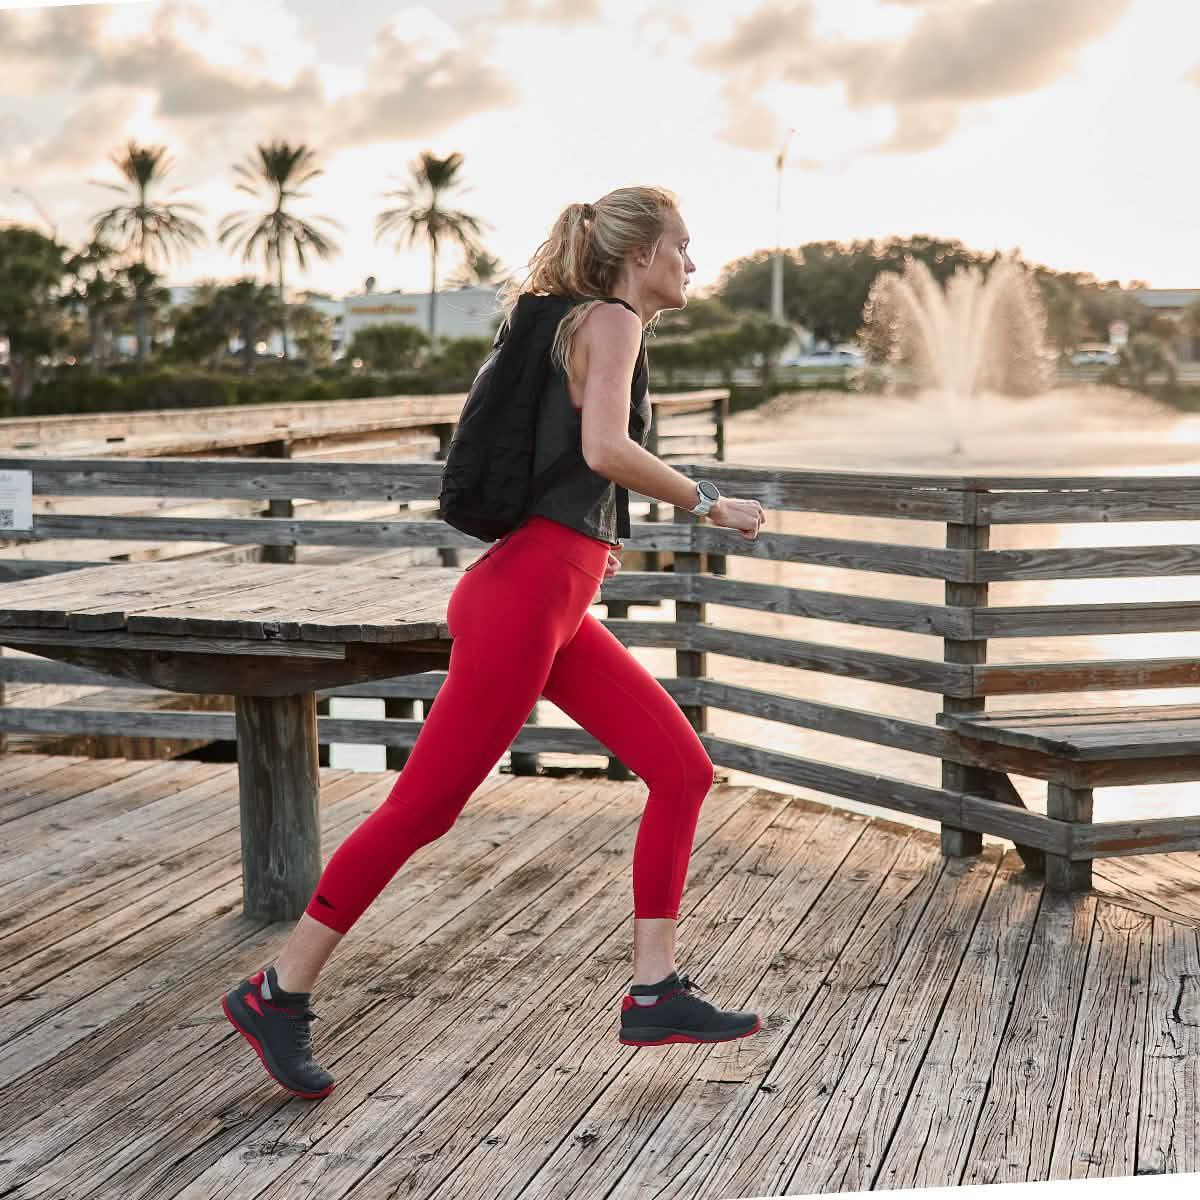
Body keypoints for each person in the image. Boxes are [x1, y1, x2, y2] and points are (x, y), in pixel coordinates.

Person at [221, 185, 768, 1099]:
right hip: (526, 602)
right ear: (639, 257)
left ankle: (653, 988)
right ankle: (278, 990)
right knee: (423, 810)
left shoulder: (579, 322)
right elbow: (603, 449)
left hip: (548, 602)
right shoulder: (613, 321)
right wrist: (711, 502)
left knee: (682, 771)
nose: (691, 262)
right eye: (681, 245)